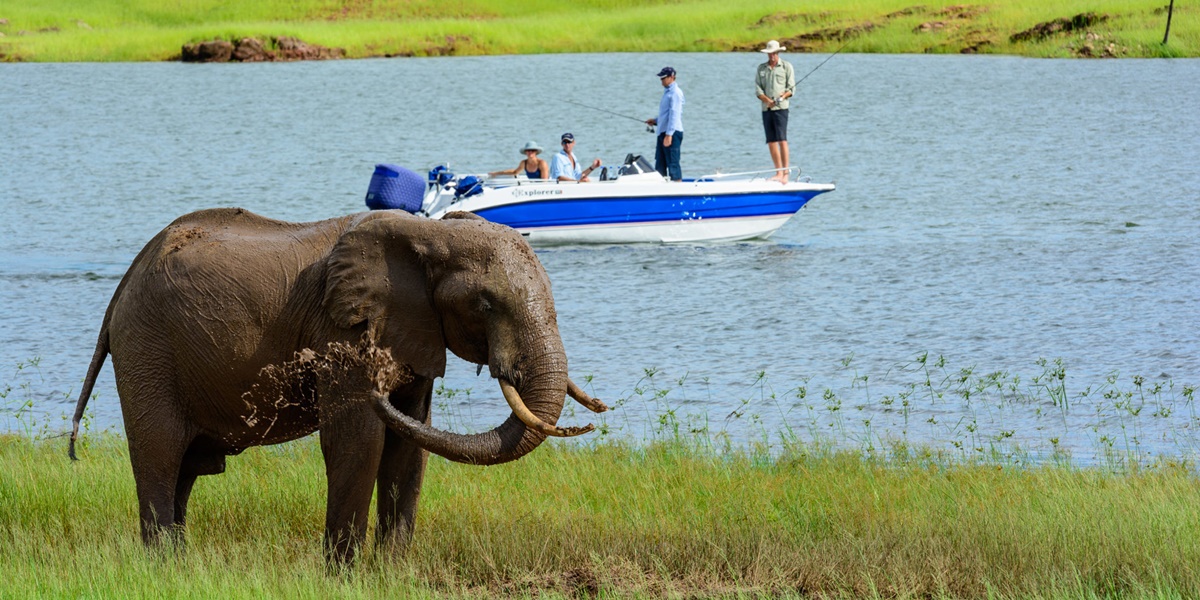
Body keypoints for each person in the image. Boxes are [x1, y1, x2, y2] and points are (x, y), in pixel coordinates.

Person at [754, 40, 796, 183]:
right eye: (769, 53)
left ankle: (785, 173)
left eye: (774, 53)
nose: (772, 56)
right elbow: (758, 89)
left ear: (778, 53)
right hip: (766, 109)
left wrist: (782, 97)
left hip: (781, 109)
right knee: (771, 141)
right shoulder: (761, 68)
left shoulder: (786, 66)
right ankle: (778, 172)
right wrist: (767, 100)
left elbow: (791, 89)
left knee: (782, 140)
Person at [644, 66, 684, 181]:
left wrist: (669, 135)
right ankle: (660, 190)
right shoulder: (667, 92)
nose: (661, 80)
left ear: (672, 77)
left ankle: (677, 189)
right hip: (663, 132)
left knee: (673, 164)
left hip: (672, 133)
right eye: (660, 78)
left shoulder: (675, 93)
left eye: (663, 78)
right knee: (660, 164)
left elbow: (674, 115)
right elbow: (666, 114)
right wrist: (656, 121)